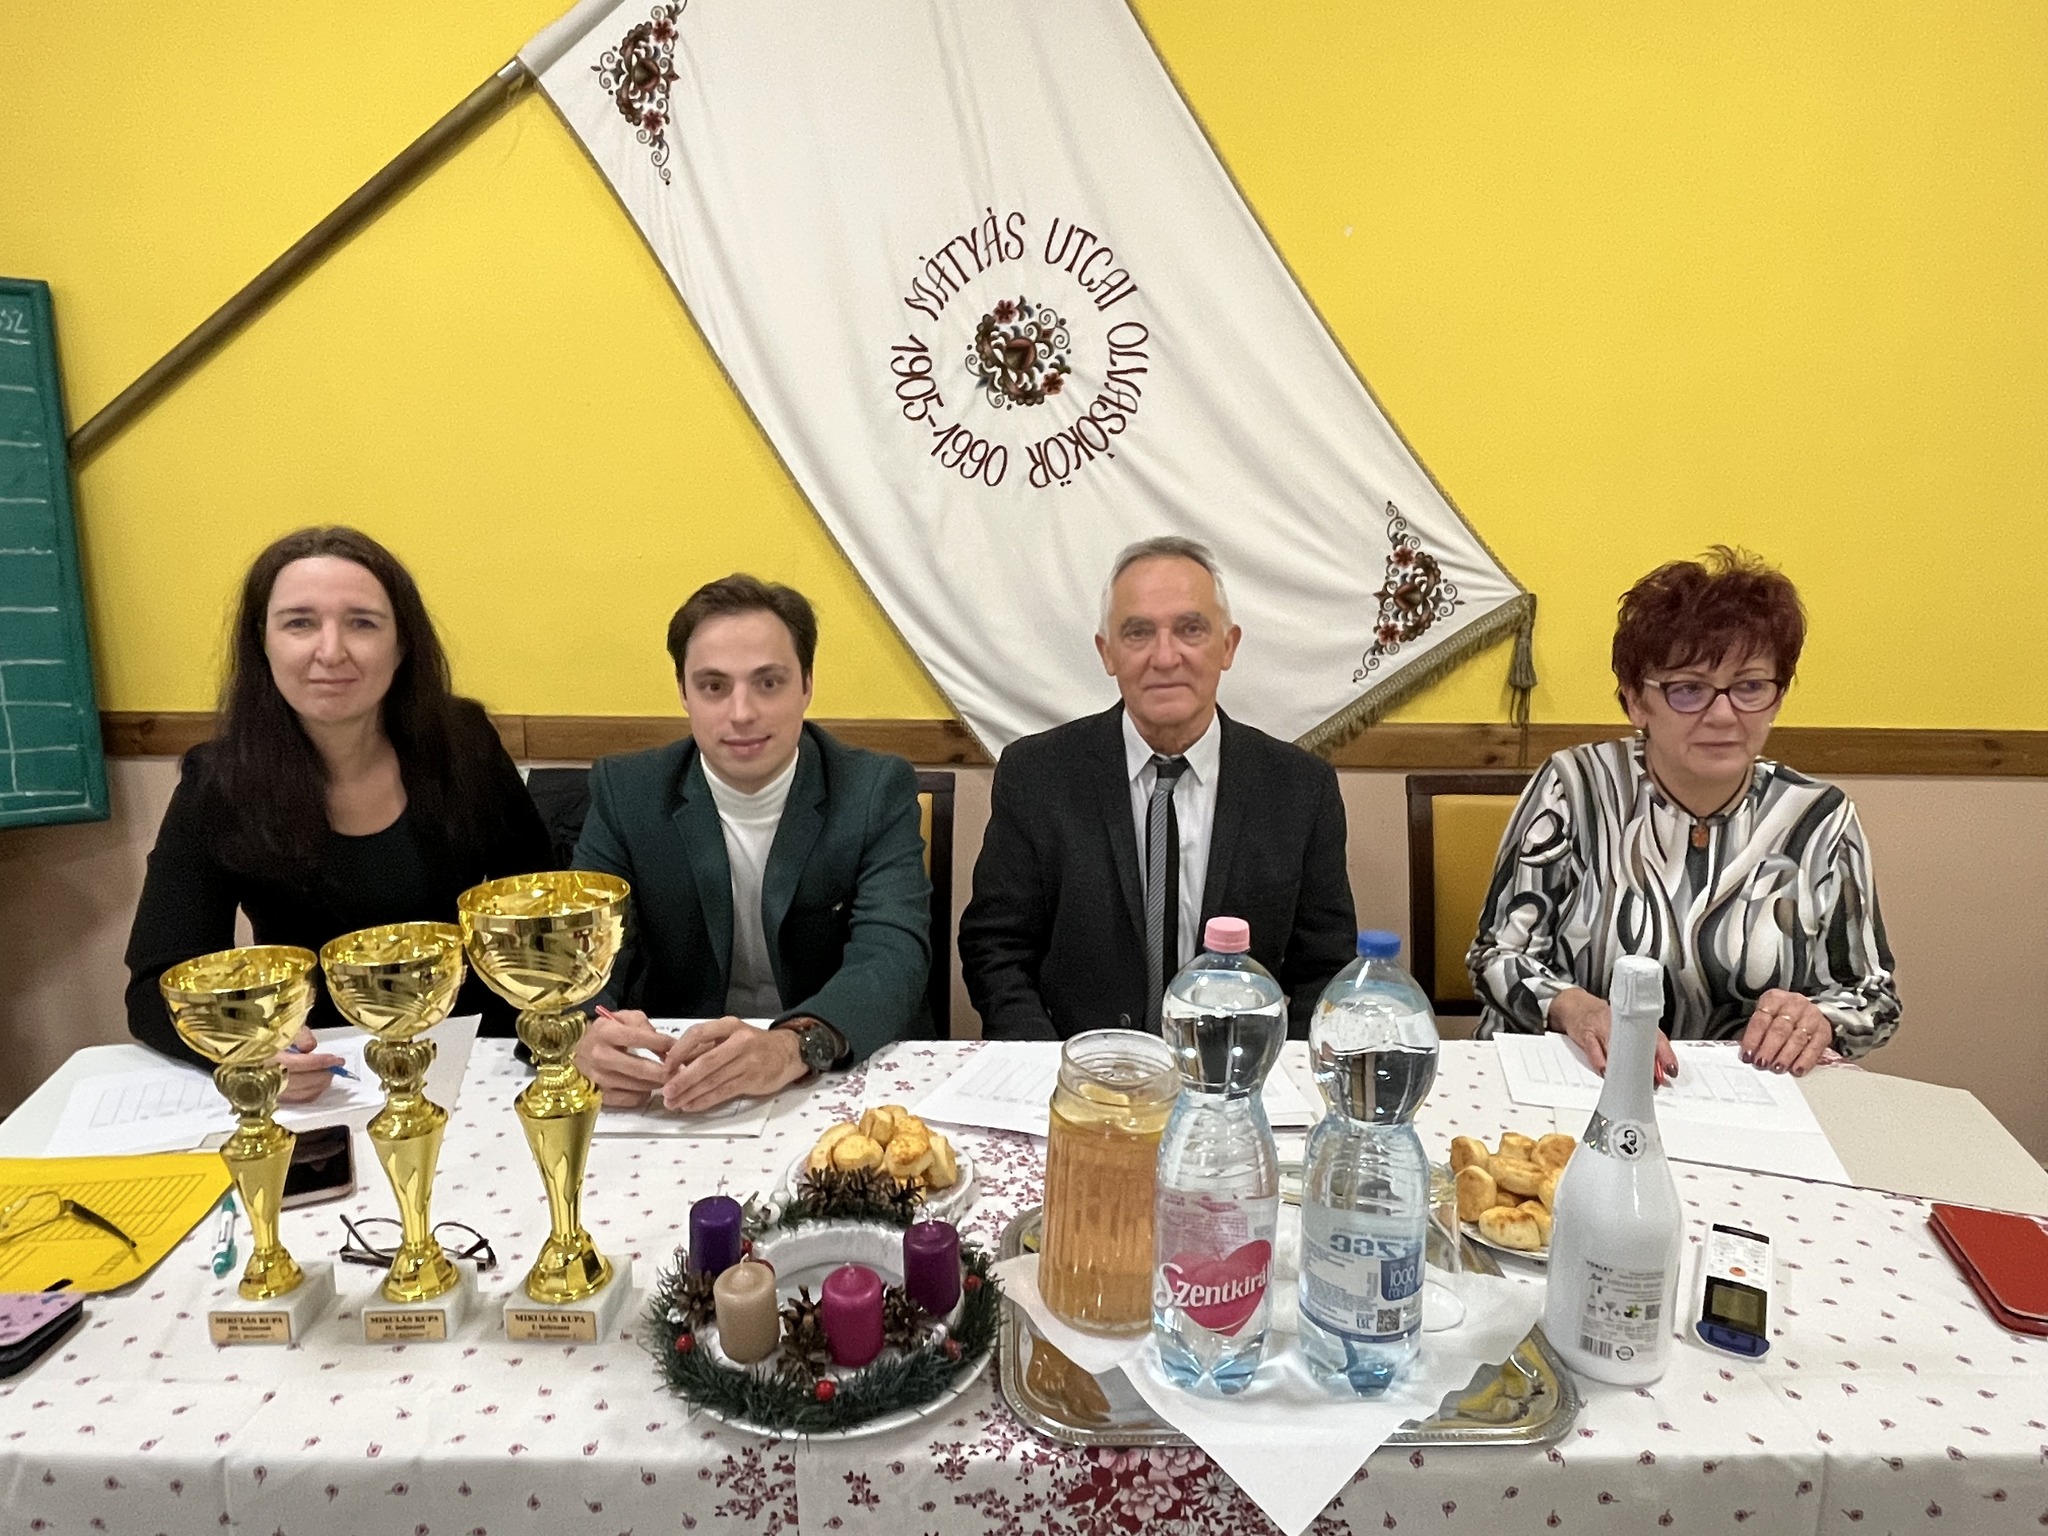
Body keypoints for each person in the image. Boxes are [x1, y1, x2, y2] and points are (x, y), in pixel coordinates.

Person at [125, 527, 554, 1101]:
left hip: (477, 1063)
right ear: (263, 644)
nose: (331, 651)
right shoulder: (220, 782)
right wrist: (247, 1053)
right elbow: (155, 987)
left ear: (402, 645)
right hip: (321, 1077)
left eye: (362, 623)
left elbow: (541, 922)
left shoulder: (464, 743)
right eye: (300, 623)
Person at [1468, 546, 1900, 1080]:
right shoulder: (1576, 786)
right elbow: (1497, 956)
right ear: (1636, 701)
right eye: (1689, 689)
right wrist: (1577, 1009)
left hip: (1746, 1092)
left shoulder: (1818, 817)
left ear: (1777, 697)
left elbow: (1872, 997)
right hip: (1580, 1077)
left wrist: (1820, 1019)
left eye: (1750, 687)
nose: (1723, 714)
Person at [959, 535, 1357, 1040]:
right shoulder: (1036, 776)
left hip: (1242, 1074)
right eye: (1138, 633)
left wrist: (1278, 1073)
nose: (1165, 657)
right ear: (1107, 653)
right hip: (1082, 1068)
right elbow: (996, 951)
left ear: (1228, 646)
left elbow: (1325, 968)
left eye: (1190, 629)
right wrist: (1051, 1066)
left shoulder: (1300, 788)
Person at [570, 575, 931, 1112]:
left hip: (831, 1070)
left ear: (806, 685)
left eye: (768, 683)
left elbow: (893, 954)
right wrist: (581, 1034)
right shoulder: (627, 793)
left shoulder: (875, 790)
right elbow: (583, 960)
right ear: (683, 692)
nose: (741, 713)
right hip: (677, 1076)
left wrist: (792, 1046)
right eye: (714, 686)